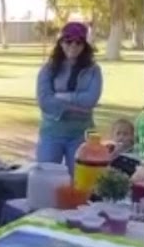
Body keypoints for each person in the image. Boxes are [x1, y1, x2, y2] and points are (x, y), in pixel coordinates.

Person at [35, 22, 103, 175]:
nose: (73, 45)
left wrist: (62, 96)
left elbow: (90, 100)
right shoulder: (48, 69)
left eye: (79, 42)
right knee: (46, 178)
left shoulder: (94, 70)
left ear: (85, 45)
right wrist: (78, 108)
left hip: (81, 135)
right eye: (68, 41)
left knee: (80, 181)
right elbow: (44, 101)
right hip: (51, 133)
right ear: (61, 43)